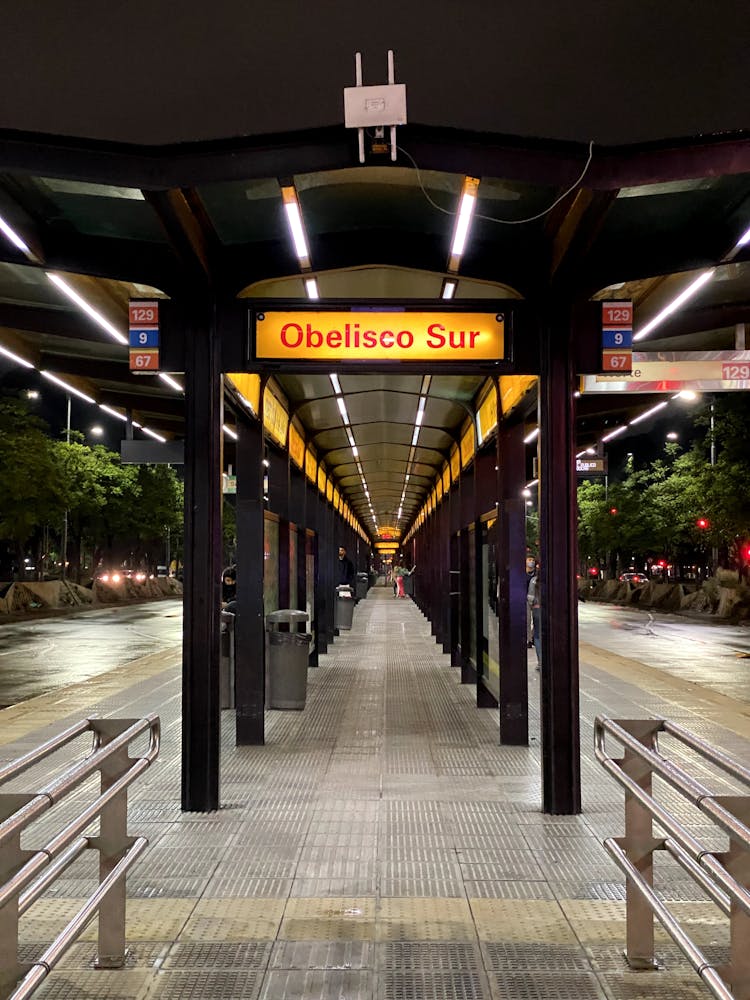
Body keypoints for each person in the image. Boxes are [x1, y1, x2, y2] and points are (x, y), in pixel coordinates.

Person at [527, 563, 541, 670]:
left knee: (537, 635)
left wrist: (532, 606)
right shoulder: (550, 579)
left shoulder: (534, 580)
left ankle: (540, 661)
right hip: (547, 610)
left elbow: (530, 597)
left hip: (536, 609)